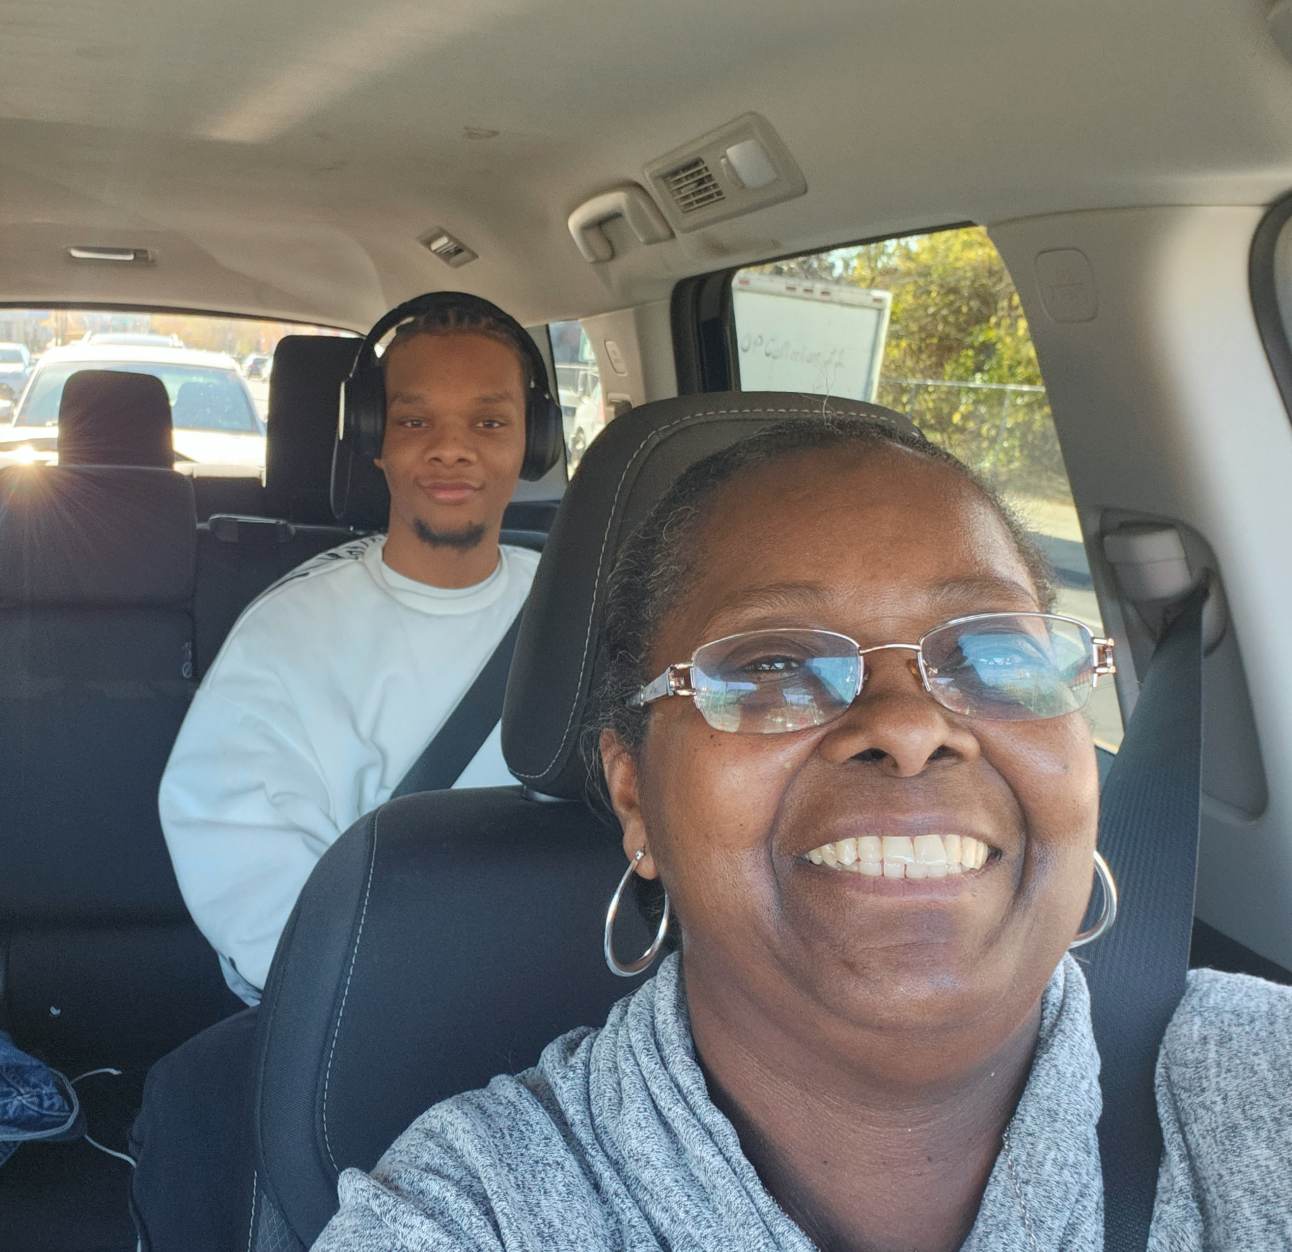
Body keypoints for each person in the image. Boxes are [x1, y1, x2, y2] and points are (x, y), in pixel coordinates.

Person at [315, 418, 1292, 1251]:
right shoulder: (477, 1212)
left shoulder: (1259, 1081)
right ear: (634, 801)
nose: (909, 727)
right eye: (773, 665)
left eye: (993, 652)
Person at [160, 294, 545, 1005]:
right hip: (360, 1002)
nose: (450, 447)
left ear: (535, 441)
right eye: (414, 420)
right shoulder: (289, 633)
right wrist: (397, 994)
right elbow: (246, 868)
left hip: (557, 989)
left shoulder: (580, 607)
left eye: (489, 422)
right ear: (374, 436)